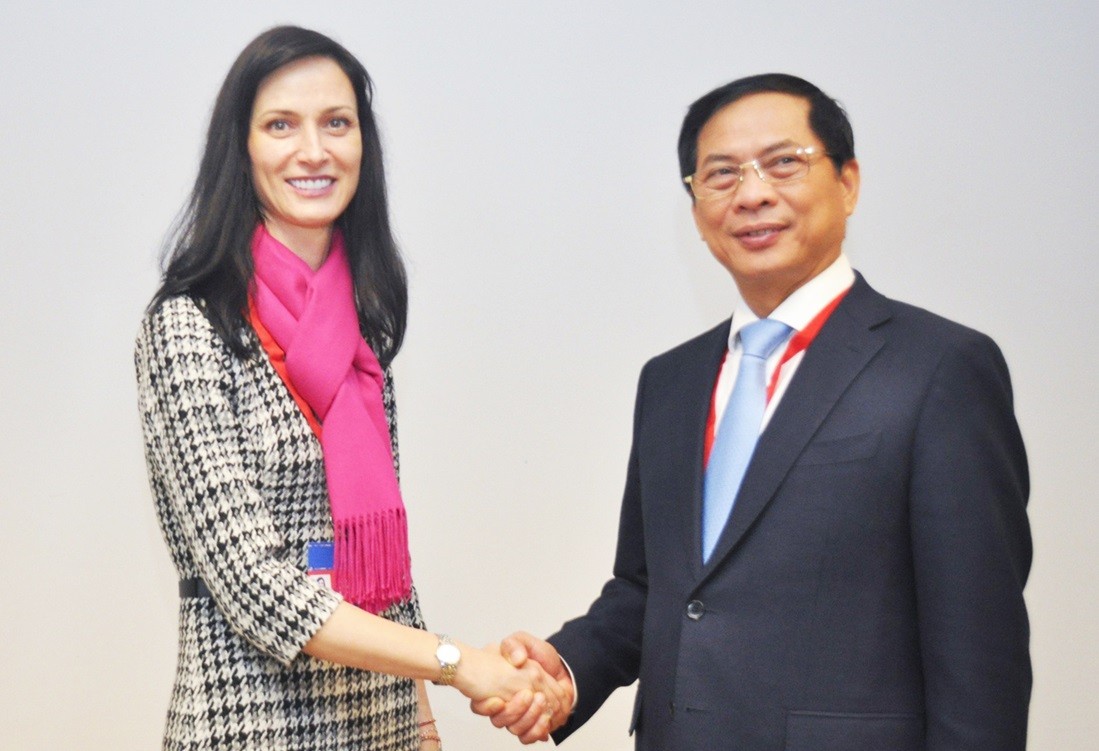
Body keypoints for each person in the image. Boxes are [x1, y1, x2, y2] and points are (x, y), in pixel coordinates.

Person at [478, 73, 1032, 749]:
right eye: (720, 174)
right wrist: (566, 666)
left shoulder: (939, 368)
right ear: (694, 204)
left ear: (847, 181)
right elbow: (652, 586)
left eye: (783, 163)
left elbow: (978, 646)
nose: (752, 193)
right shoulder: (670, 380)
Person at [135, 25, 566, 751]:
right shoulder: (188, 326)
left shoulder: (361, 328)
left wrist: (423, 723)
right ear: (240, 148)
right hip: (253, 727)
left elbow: (382, 562)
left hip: (381, 726)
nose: (313, 150)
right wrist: (459, 663)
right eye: (280, 125)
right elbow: (256, 585)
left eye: (336, 123)